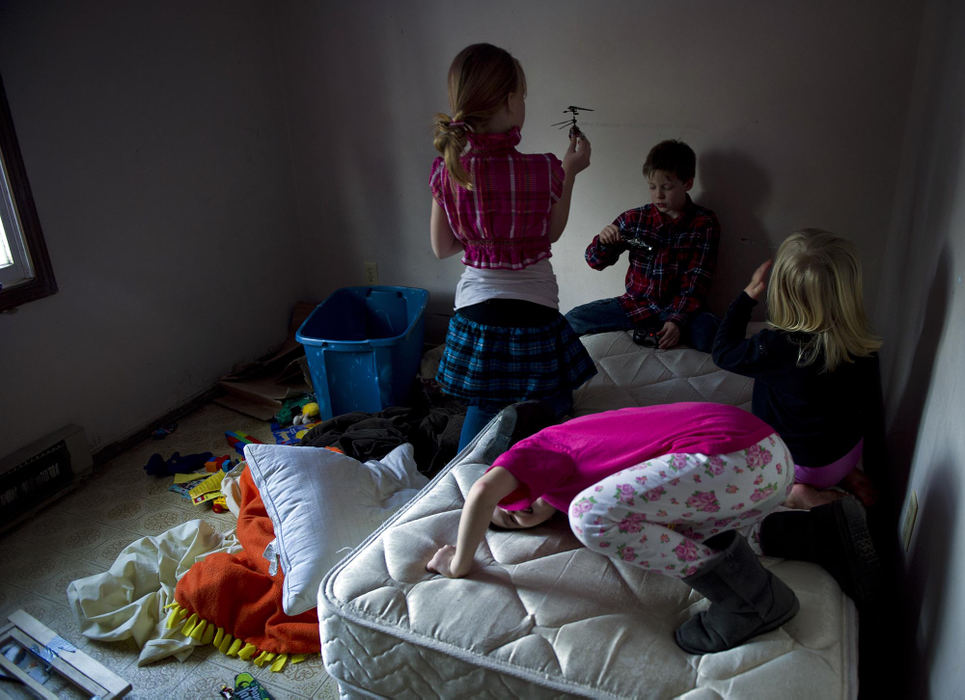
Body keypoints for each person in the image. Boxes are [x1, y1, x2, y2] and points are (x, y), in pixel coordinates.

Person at [426, 401, 800, 654]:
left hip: (730, 454)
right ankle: (816, 536)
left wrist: (460, 562)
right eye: (513, 519)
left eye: (509, 506)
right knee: (674, 531)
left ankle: (751, 601)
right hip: (770, 461)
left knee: (589, 516)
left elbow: (483, 490)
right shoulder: (593, 450)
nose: (518, 509)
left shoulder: (541, 446)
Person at [429, 43, 597, 450]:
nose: (524, 102)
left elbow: (442, 247)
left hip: (476, 315)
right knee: (555, 400)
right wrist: (571, 171)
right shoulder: (544, 168)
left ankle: (468, 479)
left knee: (485, 408)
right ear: (509, 101)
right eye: (522, 95)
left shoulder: (450, 167)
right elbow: (553, 233)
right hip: (535, 315)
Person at [712, 229, 885, 510]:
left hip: (798, 466)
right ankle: (844, 476)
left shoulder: (774, 347)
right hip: (847, 454)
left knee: (736, 459)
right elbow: (870, 412)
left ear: (782, 292)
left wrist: (747, 297)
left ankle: (798, 492)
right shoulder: (863, 347)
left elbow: (722, 352)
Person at [564, 140, 720, 351]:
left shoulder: (704, 223)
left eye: (667, 187)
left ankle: (667, 329)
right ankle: (653, 329)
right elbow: (594, 261)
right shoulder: (634, 218)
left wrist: (676, 320)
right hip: (637, 305)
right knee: (572, 320)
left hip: (682, 308)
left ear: (688, 183)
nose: (659, 195)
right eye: (652, 187)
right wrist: (603, 242)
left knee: (710, 335)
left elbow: (697, 279)